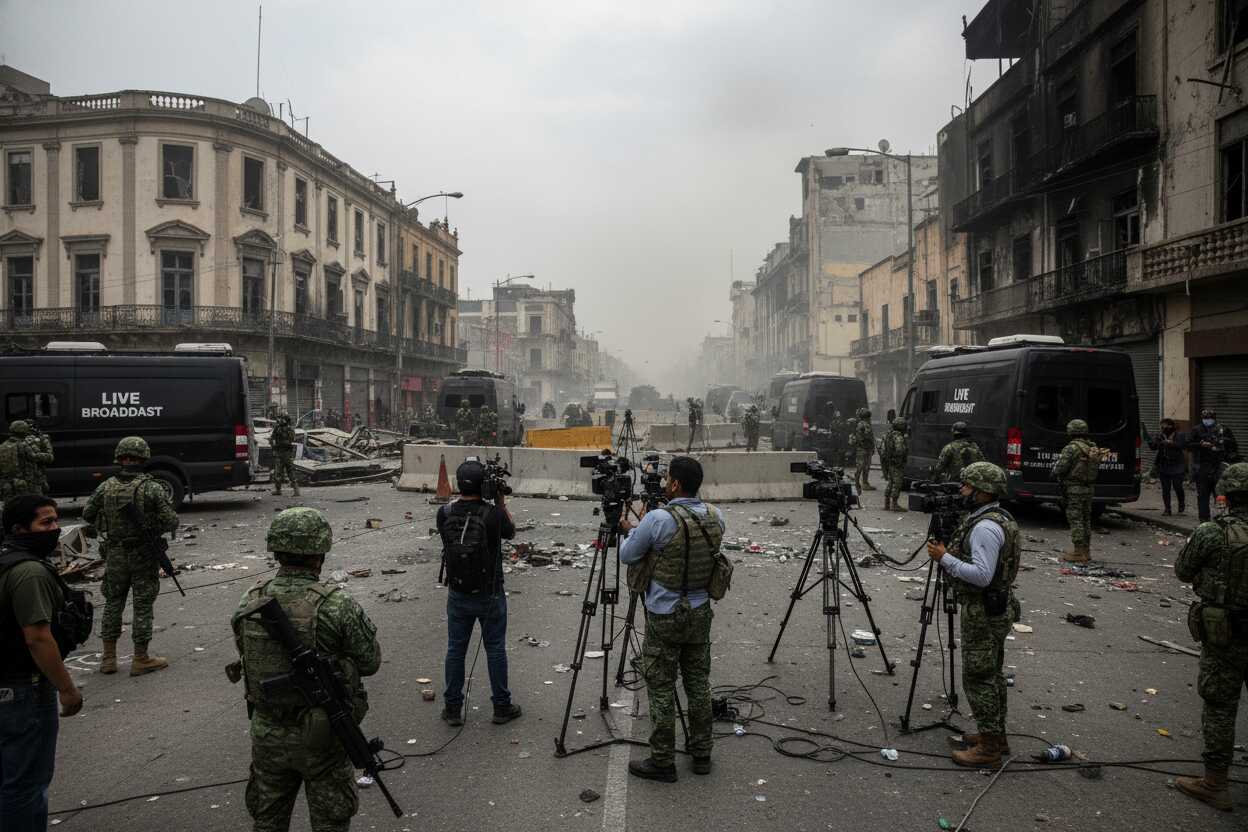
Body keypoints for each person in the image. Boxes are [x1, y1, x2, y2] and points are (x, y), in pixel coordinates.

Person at [232, 507, 381, 832]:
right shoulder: (336, 604)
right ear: (319, 555)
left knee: (267, 820)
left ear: (277, 550)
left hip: (267, 731)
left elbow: (245, 653)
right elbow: (370, 662)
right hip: (322, 735)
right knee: (331, 822)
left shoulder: (250, 599)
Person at [619, 456, 724, 782]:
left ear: (676, 484)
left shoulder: (659, 519)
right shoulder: (715, 516)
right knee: (697, 683)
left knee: (661, 685)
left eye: (668, 479)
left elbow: (628, 554)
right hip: (699, 612)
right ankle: (702, 752)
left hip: (665, 614)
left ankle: (663, 760)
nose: (664, 483)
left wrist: (630, 531)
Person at [927, 462, 1021, 767]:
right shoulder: (997, 517)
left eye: (967, 486)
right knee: (991, 674)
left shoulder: (985, 527)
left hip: (984, 610)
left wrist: (945, 559)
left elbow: (981, 575)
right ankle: (994, 735)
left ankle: (989, 749)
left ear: (982, 491)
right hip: (995, 605)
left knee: (979, 677)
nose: (962, 491)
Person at [0, 495, 85, 830]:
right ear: (20, 529)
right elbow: (37, 637)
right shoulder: (29, 572)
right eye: (45, 523)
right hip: (24, 689)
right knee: (26, 784)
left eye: (55, 520)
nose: (55, 528)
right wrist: (67, 689)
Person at [1172, 462, 1248, 811]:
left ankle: (1215, 783)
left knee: (1219, 706)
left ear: (1226, 496)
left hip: (1227, 633)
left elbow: (1183, 570)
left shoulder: (1211, 532)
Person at [83, 436, 179, 676]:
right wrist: (151, 523)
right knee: (143, 604)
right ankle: (141, 658)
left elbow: (87, 513)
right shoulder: (152, 487)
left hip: (115, 552)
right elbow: (171, 521)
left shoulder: (106, 486)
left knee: (113, 602)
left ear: (120, 458)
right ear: (143, 458)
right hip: (143, 553)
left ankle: (108, 659)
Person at [437, 460, 521, 727]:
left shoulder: (444, 513)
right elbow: (510, 531)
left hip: (458, 592)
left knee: (455, 649)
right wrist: (500, 501)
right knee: (495, 648)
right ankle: (501, 707)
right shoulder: (493, 515)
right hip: (490, 593)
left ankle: (452, 708)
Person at [1053, 419, 1099, 564]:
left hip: (1074, 489)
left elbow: (1060, 468)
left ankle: (1078, 552)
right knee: (1086, 519)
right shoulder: (1092, 447)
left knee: (1076, 519)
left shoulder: (1071, 448)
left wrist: (1055, 472)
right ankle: (1086, 551)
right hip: (1089, 488)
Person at [1191, 409, 1241, 522]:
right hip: (1202, 466)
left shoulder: (1223, 429)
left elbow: (1233, 446)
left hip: (1219, 466)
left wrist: (1221, 443)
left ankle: (1223, 518)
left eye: (1210, 417)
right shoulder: (1196, 430)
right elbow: (1188, 444)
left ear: (1214, 418)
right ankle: (1204, 519)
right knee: (1202, 495)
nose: (1207, 420)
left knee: (1220, 494)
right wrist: (1201, 444)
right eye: (1205, 418)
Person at [1145, 418, 1187, 516]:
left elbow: (1182, 446)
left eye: (1166, 426)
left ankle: (1181, 504)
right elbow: (1153, 447)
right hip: (1164, 465)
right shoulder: (1160, 436)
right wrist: (1148, 439)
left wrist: (1171, 443)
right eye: (1162, 426)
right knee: (1165, 489)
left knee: (1178, 486)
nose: (1164, 428)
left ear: (1172, 427)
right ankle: (1167, 509)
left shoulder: (1179, 435)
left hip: (1177, 465)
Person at [0, 422, 41, 502]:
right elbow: (34, 457)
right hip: (21, 484)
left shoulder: (2, 446)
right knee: (24, 506)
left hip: (6, 484)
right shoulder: (23, 445)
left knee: (9, 506)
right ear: (23, 432)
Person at [881, 418, 909, 512]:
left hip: (890, 462)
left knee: (890, 482)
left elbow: (882, 449)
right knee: (897, 483)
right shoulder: (899, 437)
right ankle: (894, 504)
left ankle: (886, 503)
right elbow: (900, 450)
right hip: (897, 463)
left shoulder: (889, 435)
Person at [270, 412, 300, 497]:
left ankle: (296, 490)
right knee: (278, 472)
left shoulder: (289, 429)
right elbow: (272, 438)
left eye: (281, 418)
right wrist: (273, 446)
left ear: (285, 420)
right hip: (279, 452)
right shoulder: (277, 428)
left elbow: (291, 439)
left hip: (287, 453)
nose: (279, 420)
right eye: (279, 418)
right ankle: (278, 490)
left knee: (290, 471)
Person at [24, 424, 53, 497]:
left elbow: (50, 457)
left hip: (37, 475)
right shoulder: (19, 441)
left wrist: (35, 455)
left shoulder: (41, 439)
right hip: (24, 476)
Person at [853, 408, 876, 491]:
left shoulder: (865, 424)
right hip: (863, 448)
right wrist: (866, 446)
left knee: (866, 466)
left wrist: (871, 447)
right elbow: (861, 437)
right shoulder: (862, 425)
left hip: (866, 448)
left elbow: (870, 437)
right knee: (861, 466)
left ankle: (864, 483)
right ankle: (858, 482)